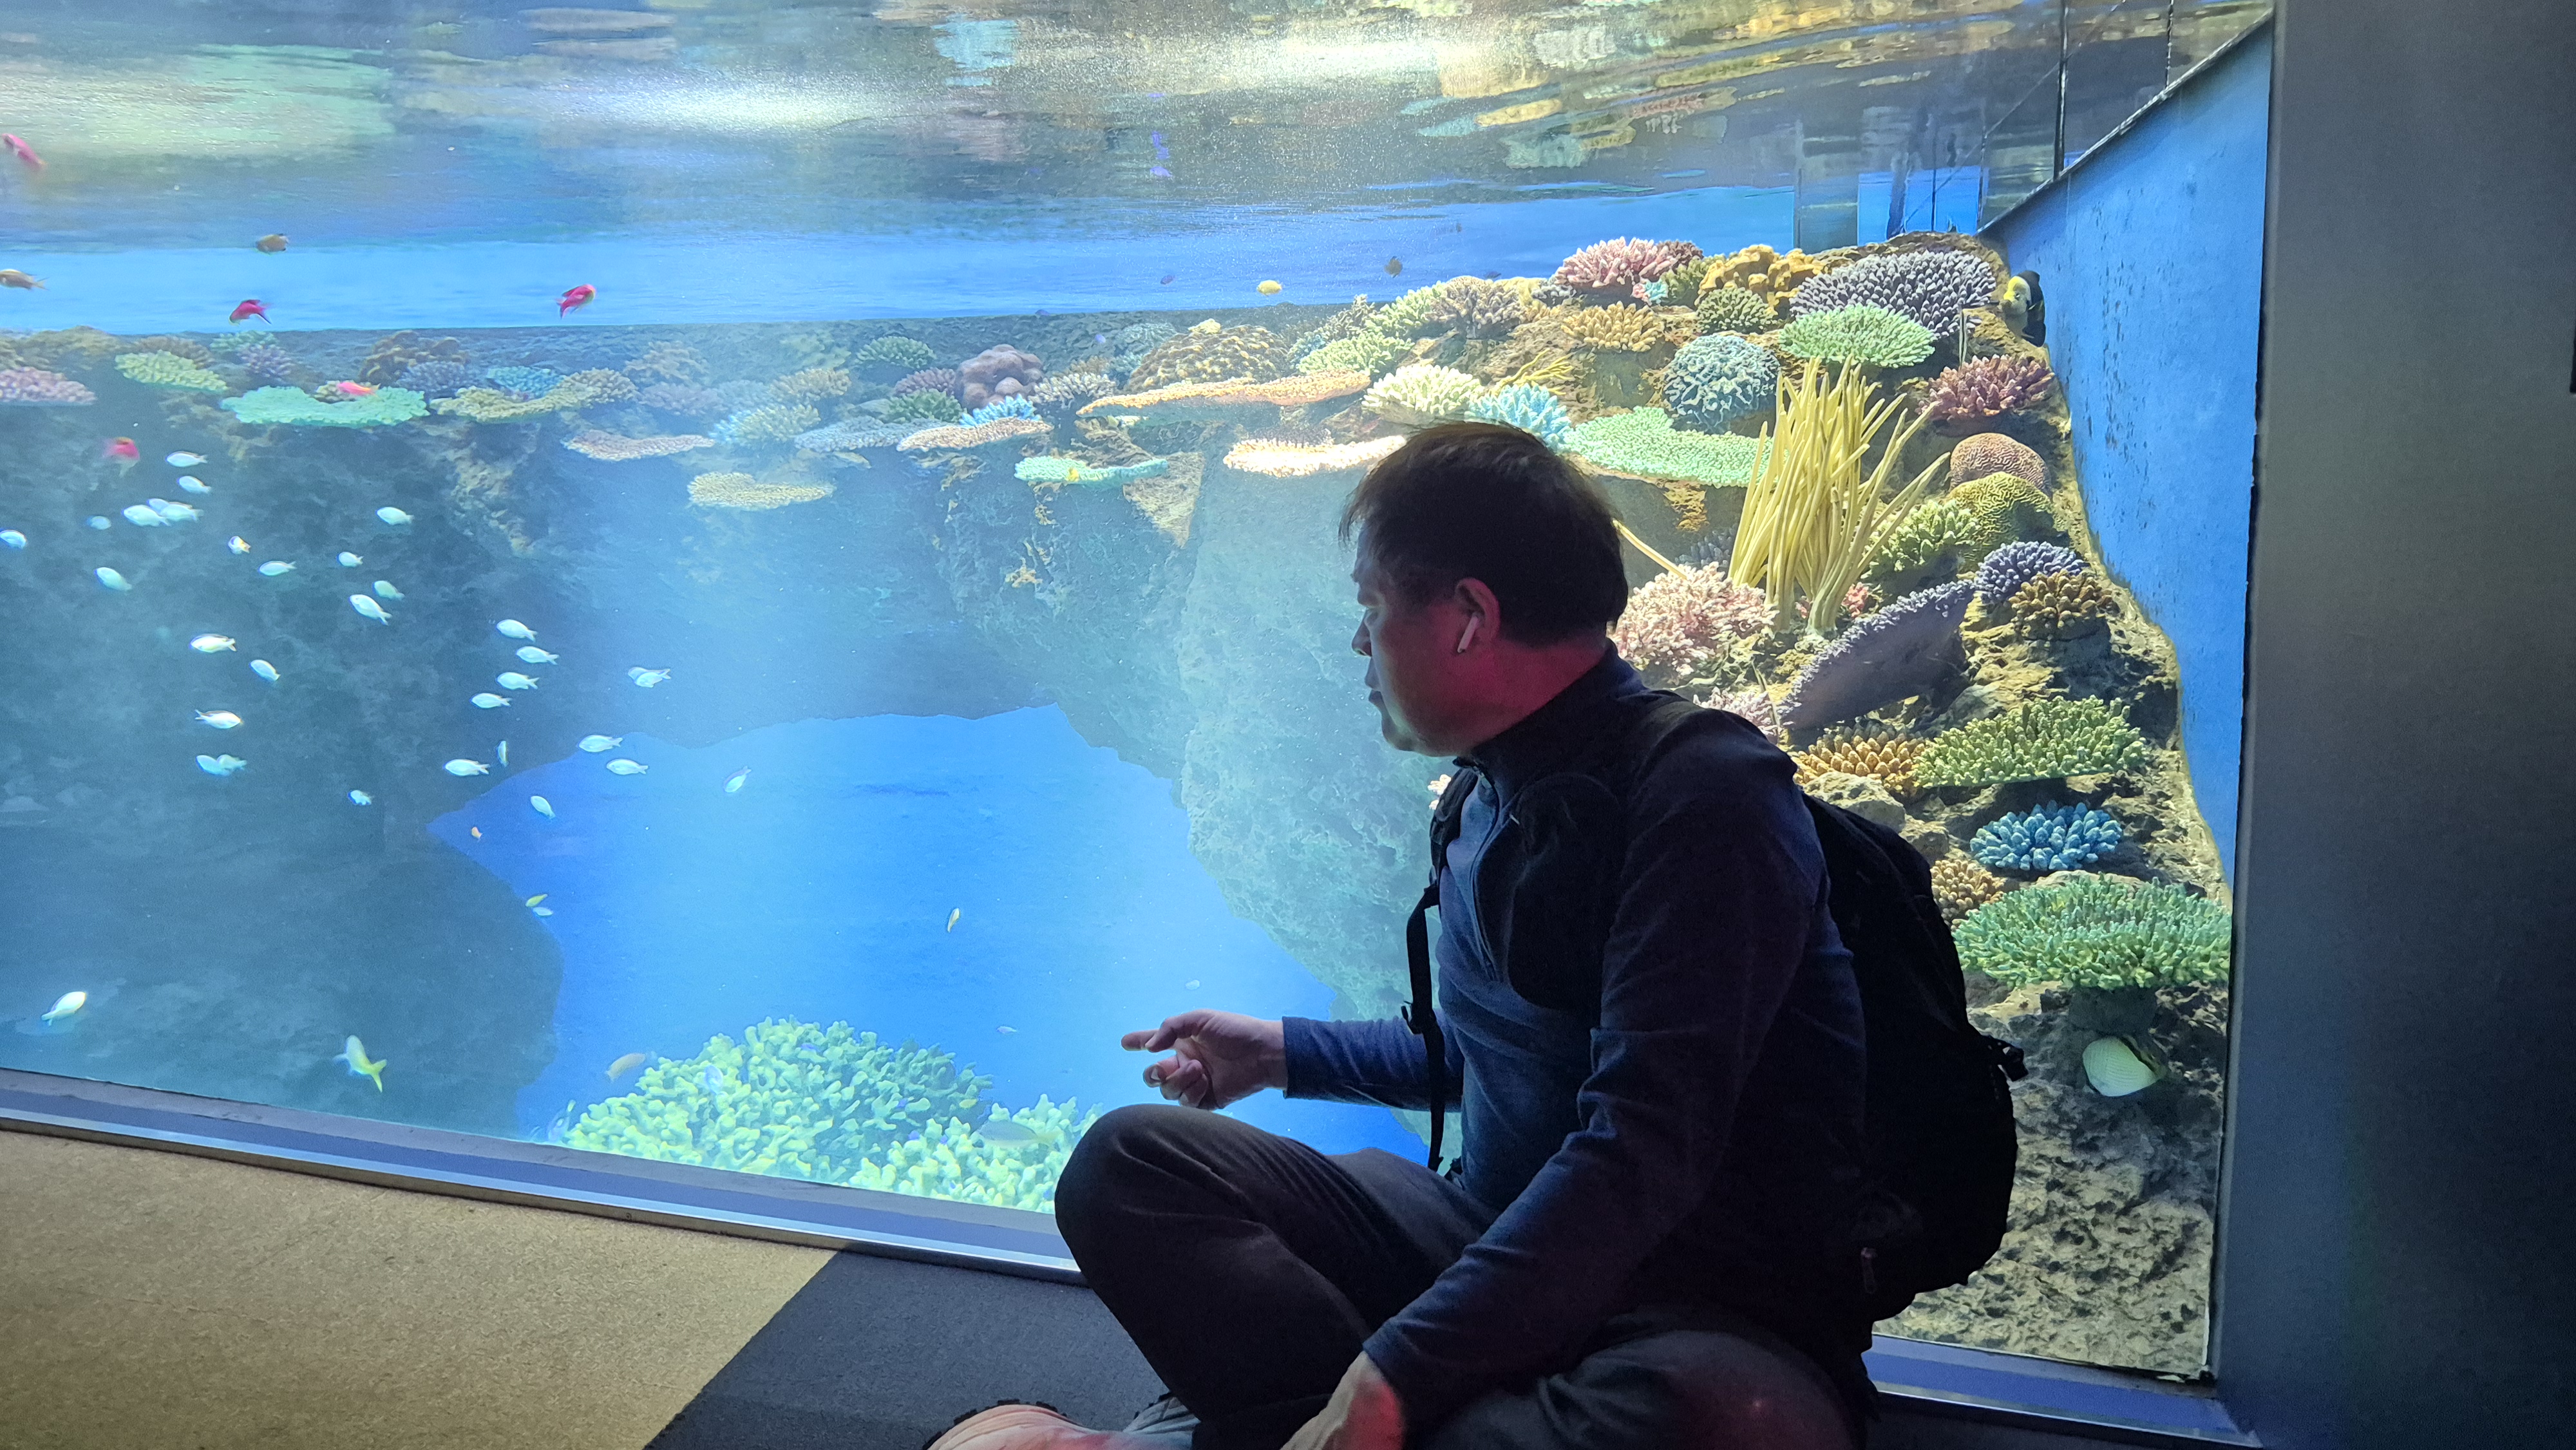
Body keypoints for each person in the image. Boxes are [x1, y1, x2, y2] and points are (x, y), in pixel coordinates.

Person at [926, 423, 1873, 1450]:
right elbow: (1486, 1059)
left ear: (1469, 617)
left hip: (1705, 1303)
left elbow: (1647, 1145)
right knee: (1126, 1167)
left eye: (1372, 607)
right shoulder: (1486, 793)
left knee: (1710, 1425)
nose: (1359, 644)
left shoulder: (1704, 796)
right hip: (1490, 1236)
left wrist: (1397, 1373)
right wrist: (1280, 1053)